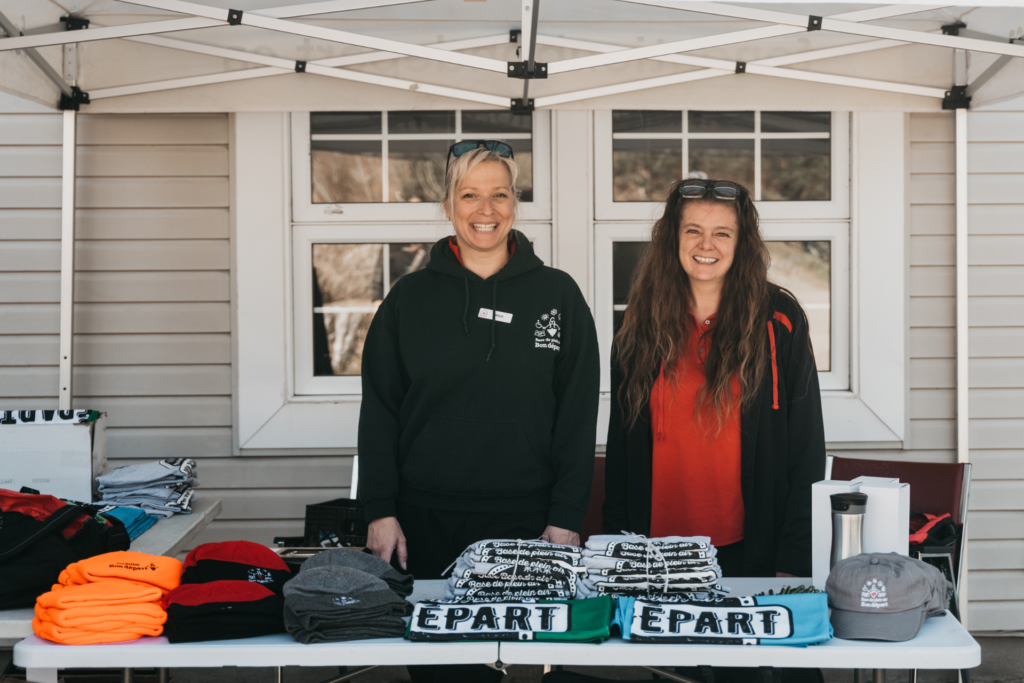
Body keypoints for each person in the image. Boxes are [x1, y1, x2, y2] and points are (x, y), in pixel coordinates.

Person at [358, 140, 601, 580]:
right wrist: (379, 510)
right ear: (448, 204)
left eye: (500, 194)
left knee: (524, 648)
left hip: (528, 519)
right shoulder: (409, 299)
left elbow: (578, 414)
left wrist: (566, 515)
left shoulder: (557, 294)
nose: (485, 209)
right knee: (431, 648)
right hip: (420, 521)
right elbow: (379, 409)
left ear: (515, 202)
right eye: (469, 194)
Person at [603, 178, 826, 580]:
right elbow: (621, 454)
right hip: (654, 553)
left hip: (749, 553)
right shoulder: (640, 327)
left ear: (742, 244)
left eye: (722, 233)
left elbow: (806, 451)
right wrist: (617, 550)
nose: (706, 246)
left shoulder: (778, 320)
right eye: (693, 231)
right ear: (673, 239)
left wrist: (794, 558)